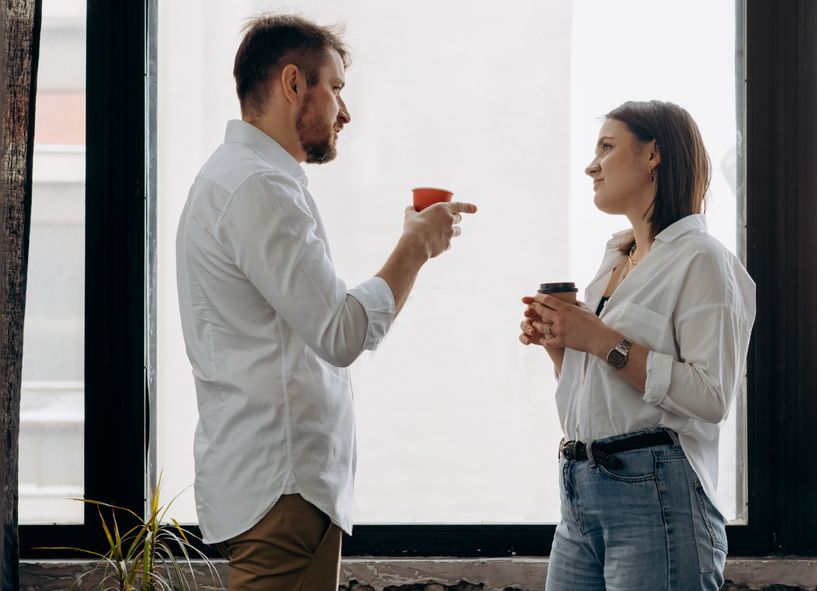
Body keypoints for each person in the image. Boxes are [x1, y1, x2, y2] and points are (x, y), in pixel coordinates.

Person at [175, 13, 476, 590]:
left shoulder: (246, 179)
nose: (345, 111)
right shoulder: (257, 186)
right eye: (335, 88)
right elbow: (340, 333)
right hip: (282, 487)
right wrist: (413, 248)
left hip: (281, 486)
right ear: (294, 84)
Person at [520, 100, 755, 590]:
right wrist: (561, 345)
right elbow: (595, 405)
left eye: (607, 147)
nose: (591, 164)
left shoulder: (703, 260)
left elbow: (711, 397)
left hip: (655, 496)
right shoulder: (614, 263)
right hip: (580, 488)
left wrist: (602, 340)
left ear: (653, 155)